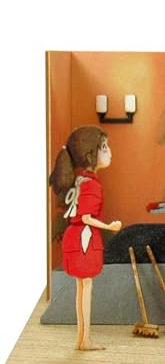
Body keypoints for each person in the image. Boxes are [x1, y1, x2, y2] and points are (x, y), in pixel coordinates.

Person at [49, 125, 122, 350]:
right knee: (86, 288)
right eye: (104, 147)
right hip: (84, 239)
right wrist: (109, 226)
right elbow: (86, 217)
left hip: (75, 236)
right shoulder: (92, 185)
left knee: (82, 288)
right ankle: (85, 339)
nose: (109, 152)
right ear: (91, 154)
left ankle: (82, 339)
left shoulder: (80, 180)